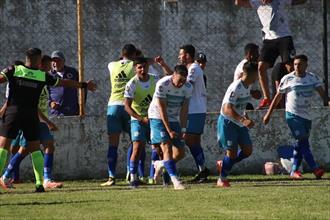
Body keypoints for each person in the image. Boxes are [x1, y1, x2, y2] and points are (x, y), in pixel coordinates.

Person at [0, 48, 96, 192]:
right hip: (31, 115)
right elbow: (65, 83)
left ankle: (8, 176)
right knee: (35, 149)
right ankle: (39, 184)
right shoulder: (41, 76)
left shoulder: (14, 69)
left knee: (3, 147)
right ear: (38, 60)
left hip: (13, 112)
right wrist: (83, 85)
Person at [235, 0, 307, 109]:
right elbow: (238, 2)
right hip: (268, 39)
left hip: (284, 37)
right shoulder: (256, 2)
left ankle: (294, 96)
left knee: (290, 68)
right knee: (261, 67)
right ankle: (267, 99)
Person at [263, 54, 326, 179]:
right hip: (292, 115)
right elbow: (277, 97)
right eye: (295, 64)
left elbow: (323, 95)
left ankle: (294, 171)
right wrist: (268, 114)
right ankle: (315, 168)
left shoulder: (313, 78)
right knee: (303, 141)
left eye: (300, 64)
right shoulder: (287, 79)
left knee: (300, 143)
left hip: (307, 117)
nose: (296, 66)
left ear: (306, 65)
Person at [6, 55, 63, 188]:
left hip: (39, 121)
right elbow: (33, 106)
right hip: (33, 119)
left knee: (45, 146)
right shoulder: (35, 80)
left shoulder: (43, 81)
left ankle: (46, 180)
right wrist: (48, 122)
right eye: (48, 66)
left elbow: (42, 100)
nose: (50, 68)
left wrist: (50, 103)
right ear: (40, 65)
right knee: (25, 149)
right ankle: (7, 175)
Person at [148, 65, 192, 190]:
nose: (181, 84)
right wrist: (169, 130)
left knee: (180, 153)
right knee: (166, 147)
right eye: (179, 80)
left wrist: (183, 129)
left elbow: (184, 109)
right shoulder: (162, 84)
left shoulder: (188, 87)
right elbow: (161, 109)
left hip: (173, 117)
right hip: (157, 116)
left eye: (184, 80)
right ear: (173, 76)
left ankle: (160, 164)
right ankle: (176, 182)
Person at [216, 62, 260, 187]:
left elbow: (240, 105)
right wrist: (243, 120)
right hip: (228, 122)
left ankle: (224, 164)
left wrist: (245, 116)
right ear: (252, 74)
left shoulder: (247, 87)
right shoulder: (236, 87)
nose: (258, 77)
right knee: (232, 152)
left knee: (247, 151)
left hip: (239, 123)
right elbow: (227, 109)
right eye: (257, 74)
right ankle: (222, 179)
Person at [101, 44, 137, 186]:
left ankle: (111, 177)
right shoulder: (135, 65)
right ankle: (131, 172)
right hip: (129, 107)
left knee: (113, 145)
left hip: (113, 106)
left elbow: (120, 61)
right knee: (134, 141)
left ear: (122, 54)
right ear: (134, 55)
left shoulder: (111, 65)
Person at [124, 57, 159, 188]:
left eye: (144, 67)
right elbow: (127, 106)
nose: (142, 70)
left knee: (157, 147)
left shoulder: (155, 80)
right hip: (138, 119)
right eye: (139, 67)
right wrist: (140, 118)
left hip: (153, 117)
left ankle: (153, 177)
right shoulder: (132, 84)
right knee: (137, 147)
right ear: (135, 69)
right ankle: (133, 177)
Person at [177, 45, 209, 182]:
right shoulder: (192, 69)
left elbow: (185, 84)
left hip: (194, 110)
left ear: (188, 55)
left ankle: (202, 170)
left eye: (181, 54)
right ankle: (202, 171)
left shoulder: (194, 68)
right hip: (196, 110)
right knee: (194, 141)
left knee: (190, 140)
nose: (179, 57)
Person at [48, 50, 83, 116]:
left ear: (63, 61)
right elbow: (43, 94)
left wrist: (81, 106)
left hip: (73, 112)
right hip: (57, 113)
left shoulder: (73, 72)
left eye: (58, 61)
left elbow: (82, 87)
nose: (55, 63)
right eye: (53, 61)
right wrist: (50, 103)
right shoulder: (48, 75)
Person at [233, 43, 262, 109]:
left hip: (245, 100)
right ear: (250, 54)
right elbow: (239, 81)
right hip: (238, 102)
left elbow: (257, 95)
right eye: (256, 53)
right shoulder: (244, 65)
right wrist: (251, 92)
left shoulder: (252, 66)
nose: (258, 55)